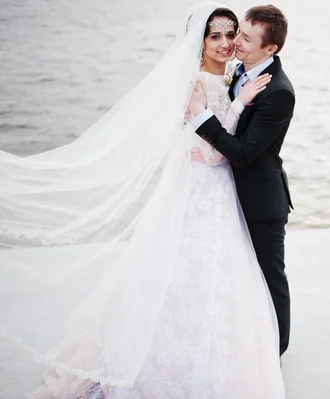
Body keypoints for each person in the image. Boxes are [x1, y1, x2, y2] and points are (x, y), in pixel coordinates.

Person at [0, 2, 285, 398]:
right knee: (183, 272)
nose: (226, 43)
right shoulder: (195, 84)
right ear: (199, 41)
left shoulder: (235, 75)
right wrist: (239, 104)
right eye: (215, 35)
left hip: (223, 193)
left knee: (225, 276)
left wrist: (239, 96)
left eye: (231, 34)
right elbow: (214, 152)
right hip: (200, 188)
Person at [188, 4, 295, 357]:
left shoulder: (278, 91)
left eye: (245, 38)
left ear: (270, 49)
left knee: (269, 279)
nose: (235, 43)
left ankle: (275, 353)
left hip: (261, 202)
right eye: (237, 33)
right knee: (233, 276)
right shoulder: (237, 72)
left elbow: (245, 152)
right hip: (225, 194)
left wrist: (203, 117)